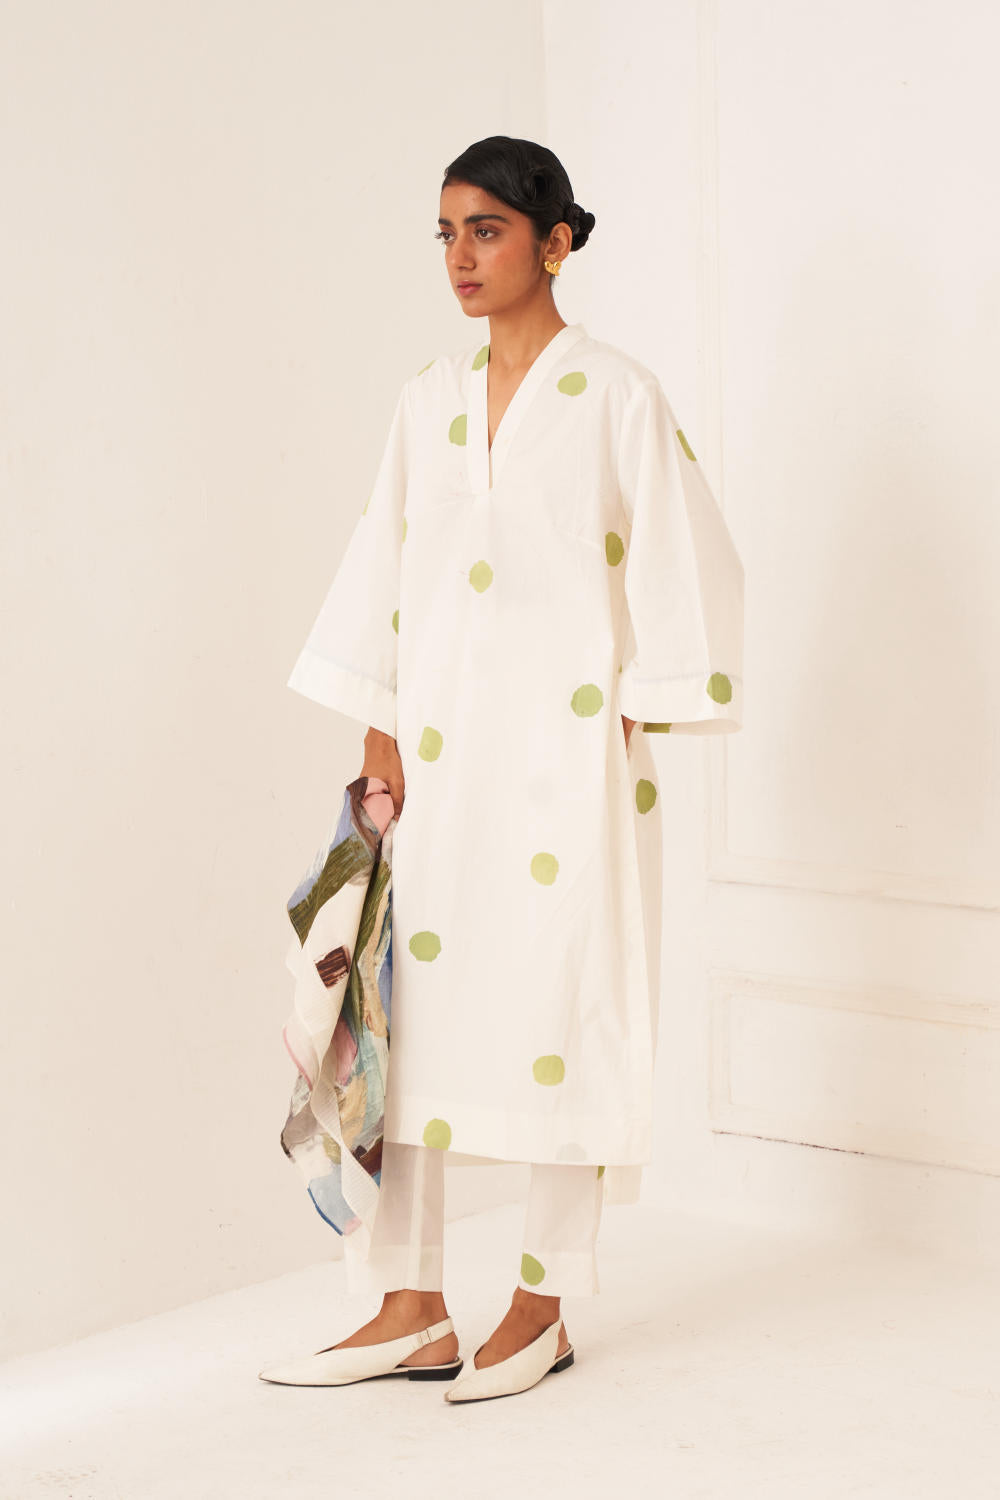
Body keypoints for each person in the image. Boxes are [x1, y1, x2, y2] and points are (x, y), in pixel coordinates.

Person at [261, 135, 744, 1403]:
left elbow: (685, 557)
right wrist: (377, 731)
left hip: (566, 761)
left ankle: (541, 1304)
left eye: (486, 230)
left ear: (555, 241)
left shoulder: (618, 395)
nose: (461, 257)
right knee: (403, 1012)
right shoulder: (427, 398)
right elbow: (385, 558)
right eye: (446, 233)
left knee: (562, 1008)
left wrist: (637, 712)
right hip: (436, 756)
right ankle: (408, 1304)